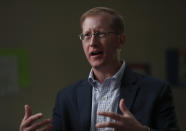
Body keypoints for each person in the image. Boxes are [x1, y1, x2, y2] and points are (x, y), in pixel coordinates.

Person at [19, 7, 179, 131]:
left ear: (120, 40)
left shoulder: (156, 90)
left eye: (100, 34)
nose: (92, 42)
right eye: (87, 35)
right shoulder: (66, 97)